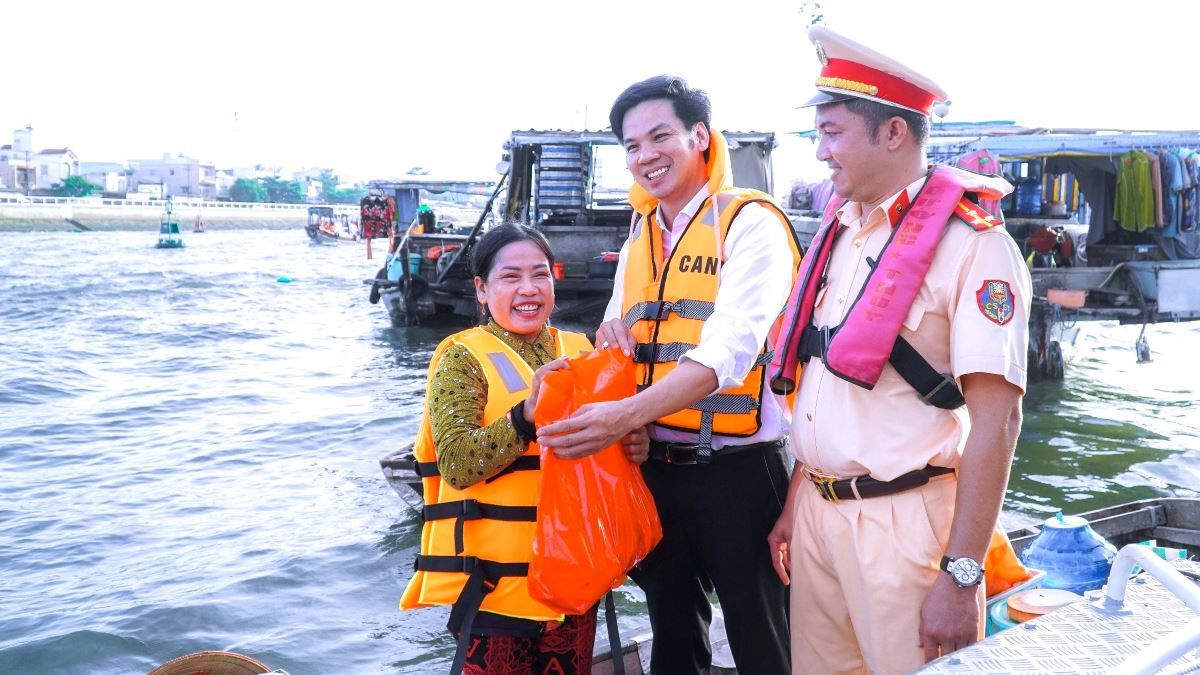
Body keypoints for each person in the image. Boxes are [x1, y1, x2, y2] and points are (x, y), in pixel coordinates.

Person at [766, 26, 1032, 674]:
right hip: (819, 519)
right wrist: (795, 504)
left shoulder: (972, 244)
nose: (821, 152)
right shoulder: (841, 232)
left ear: (893, 133)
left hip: (905, 528)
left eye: (832, 133)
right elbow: (826, 378)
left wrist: (961, 574)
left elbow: (997, 420)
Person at [537, 75, 802, 674]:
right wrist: (589, 366)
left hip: (738, 471)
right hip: (651, 466)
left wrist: (624, 415)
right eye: (631, 146)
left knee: (763, 637)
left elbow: (730, 351)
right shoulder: (639, 239)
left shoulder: (751, 222)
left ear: (700, 136)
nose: (645, 156)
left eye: (660, 137)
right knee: (671, 633)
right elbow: (615, 336)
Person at [399, 223, 650, 675]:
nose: (528, 290)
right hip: (495, 589)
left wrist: (632, 440)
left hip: (575, 575)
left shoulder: (581, 351)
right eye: (510, 277)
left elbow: (606, 459)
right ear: (481, 289)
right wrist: (523, 417)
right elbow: (455, 463)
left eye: (540, 275)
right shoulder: (461, 358)